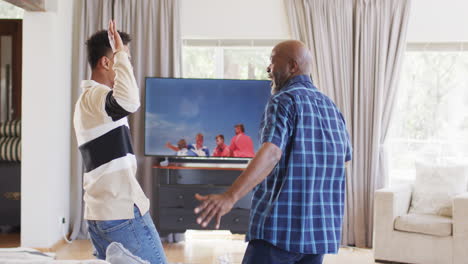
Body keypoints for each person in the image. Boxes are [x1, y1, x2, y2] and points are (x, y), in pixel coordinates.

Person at [193, 40, 352, 264]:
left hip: (280, 232)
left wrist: (230, 196)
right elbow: (343, 160)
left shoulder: (284, 100)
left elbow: (272, 153)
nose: (268, 68)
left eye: (272, 61)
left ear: (292, 66)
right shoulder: (331, 107)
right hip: (319, 234)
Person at [73, 20, 167, 264]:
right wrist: (121, 54)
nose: (129, 65)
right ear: (106, 62)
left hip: (104, 212)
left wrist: (120, 55)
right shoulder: (95, 96)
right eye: (125, 58)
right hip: (121, 211)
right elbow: (130, 102)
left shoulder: (94, 100)